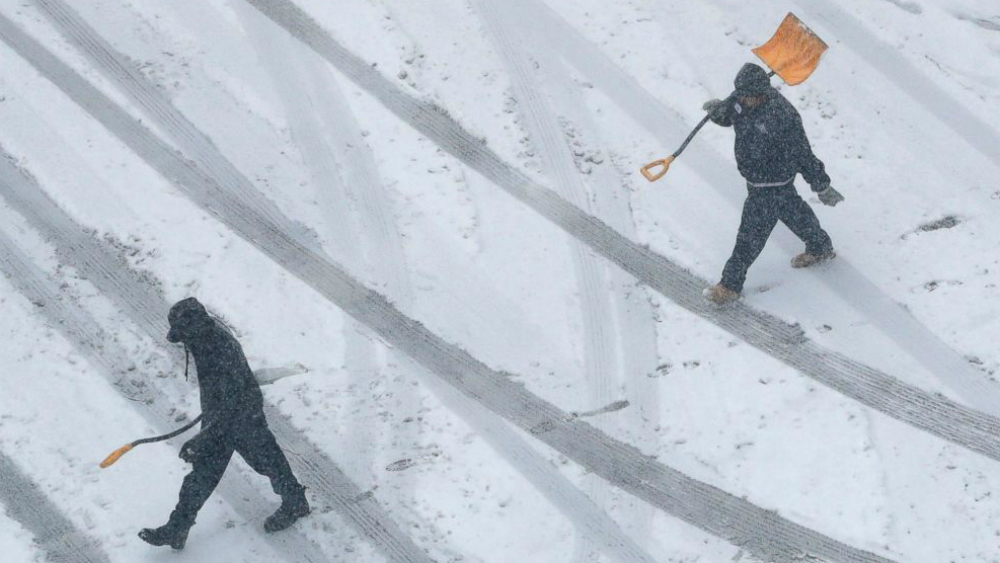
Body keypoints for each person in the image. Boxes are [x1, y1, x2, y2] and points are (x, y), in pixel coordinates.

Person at [139, 298, 309, 550]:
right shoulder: (203, 338)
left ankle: (295, 503)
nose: (183, 341)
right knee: (202, 474)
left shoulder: (219, 350)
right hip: (221, 415)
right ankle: (177, 528)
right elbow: (219, 395)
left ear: (194, 329)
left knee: (268, 462)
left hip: (243, 416)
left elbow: (231, 404)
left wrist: (201, 439)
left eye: (184, 335)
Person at [701, 63, 845, 305]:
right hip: (758, 181)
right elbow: (732, 113)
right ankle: (820, 247)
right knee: (793, 212)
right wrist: (718, 112)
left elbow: (803, 154)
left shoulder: (783, 116)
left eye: (747, 97)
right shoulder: (743, 97)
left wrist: (821, 185)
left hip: (771, 184)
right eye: (740, 95)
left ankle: (729, 286)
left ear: (761, 94)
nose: (742, 100)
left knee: (749, 236)